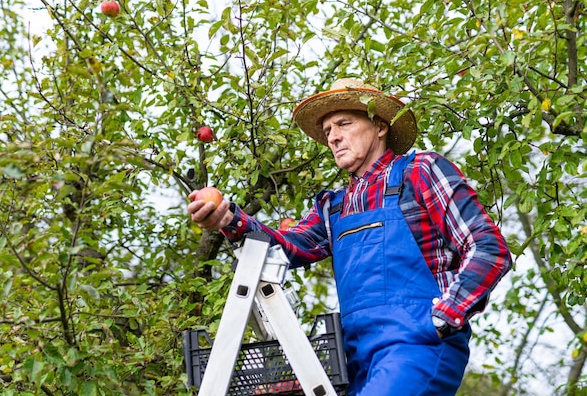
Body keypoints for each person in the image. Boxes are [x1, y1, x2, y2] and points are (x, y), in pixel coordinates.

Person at [187, 78, 512, 396]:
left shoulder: (421, 172)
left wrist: (442, 319)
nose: (333, 137)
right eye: (328, 131)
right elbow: (287, 248)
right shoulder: (334, 206)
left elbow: (488, 248)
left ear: (380, 126)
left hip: (415, 350)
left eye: (343, 124)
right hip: (356, 362)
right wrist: (228, 219)